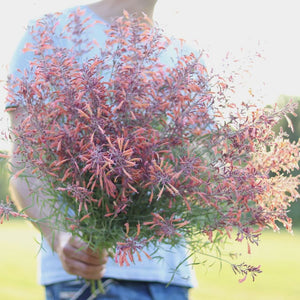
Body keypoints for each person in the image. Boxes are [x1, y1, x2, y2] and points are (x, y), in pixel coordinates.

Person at [7, 1, 197, 299]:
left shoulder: (186, 55)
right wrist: (61, 237)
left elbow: (201, 168)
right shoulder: (49, 34)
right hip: (81, 278)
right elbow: (25, 167)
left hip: (168, 279)